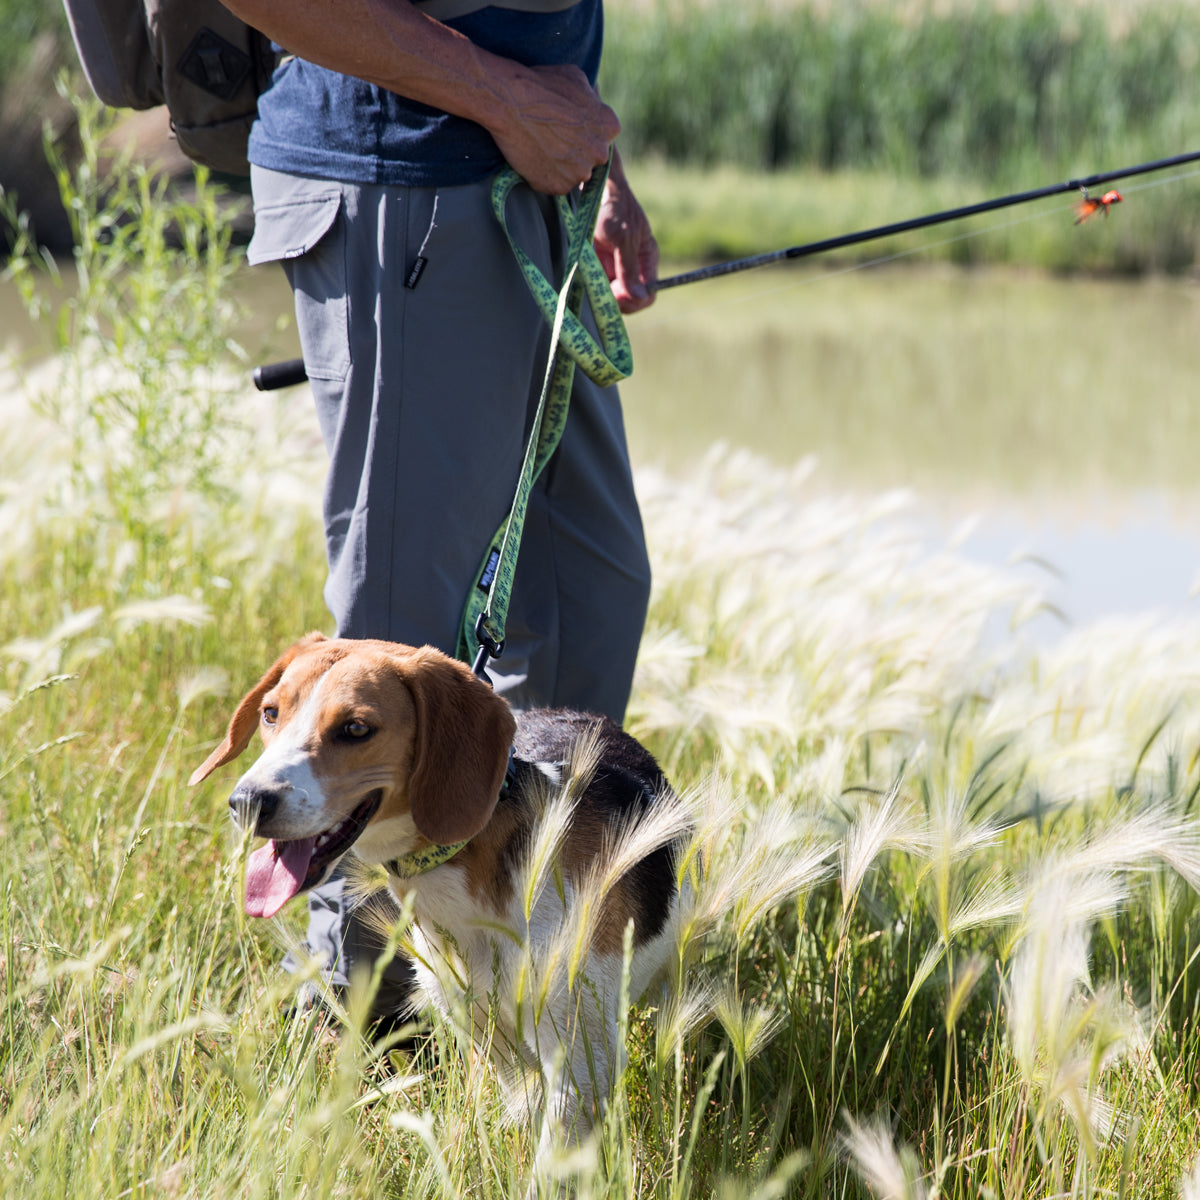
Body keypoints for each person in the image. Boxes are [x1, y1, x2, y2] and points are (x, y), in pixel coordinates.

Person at [216, 0, 659, 1025]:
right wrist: (507, 101)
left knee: (591, 592)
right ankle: (364, 1025)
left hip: (532, 188)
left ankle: (536, 994)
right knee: (397, 631)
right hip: (402, 185)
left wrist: (597, 167)